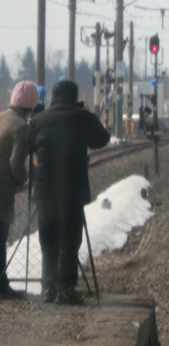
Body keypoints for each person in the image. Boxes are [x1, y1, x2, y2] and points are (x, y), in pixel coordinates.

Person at [27, 80, 110, 305]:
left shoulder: (39, 119)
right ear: (74, 98)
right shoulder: (83, 118)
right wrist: (85, 112)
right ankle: (65, 289)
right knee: (70, 240)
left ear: (53, 97)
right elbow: (102, 139)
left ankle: (48, 289)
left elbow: (30, 144)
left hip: (45, 192)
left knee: (48, 241)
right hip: (73, 191)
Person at [0, 81, 39, 300]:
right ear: (31, 108)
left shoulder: (1, 117)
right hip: (2, 192)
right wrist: (22, 182)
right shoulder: (22, 126)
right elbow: (16, 164)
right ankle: (2, 287)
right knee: (0, 239)